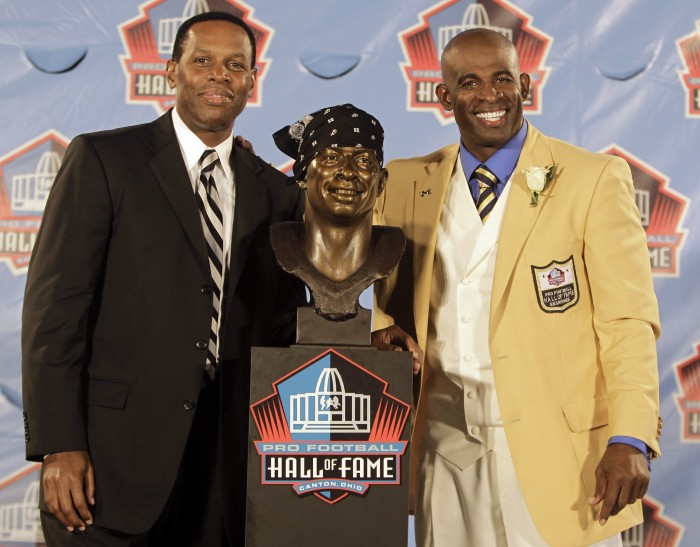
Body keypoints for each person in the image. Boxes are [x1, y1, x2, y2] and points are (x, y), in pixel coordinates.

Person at [22, 11, 306, 547]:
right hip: (109, 465)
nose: (218, 75)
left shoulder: (276, 192)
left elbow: (285, 326)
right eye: (203, 61)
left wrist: (370, 334)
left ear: (251, 80)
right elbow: (54, 314)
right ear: (172, 71)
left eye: (234, 65)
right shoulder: (104, 160)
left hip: (227, 471)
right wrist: (59, 446)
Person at [373, 28, 662, 547]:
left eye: (502, 78)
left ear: (524, 85)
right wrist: (379, 327)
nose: (490, 95)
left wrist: (631, 436)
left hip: (565, 460)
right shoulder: (403, 182)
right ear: (443, 96)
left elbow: (627, 321)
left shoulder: (592, 178)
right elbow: (346, 268)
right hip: (445, 447)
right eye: (469, 82)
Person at [270, 104, 406, 322]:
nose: (349, 172)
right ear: (303, 176)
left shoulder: (393, 246)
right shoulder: (279, 243)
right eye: (331, 158)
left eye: (363, 160)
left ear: (381, 182)